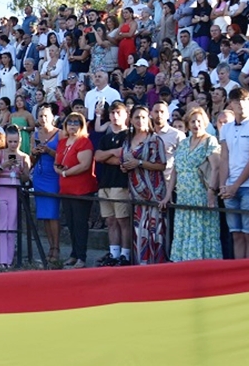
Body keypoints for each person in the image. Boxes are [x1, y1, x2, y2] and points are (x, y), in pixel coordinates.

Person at [218, 87, 249, 259]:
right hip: (230, 186)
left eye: (244, 100)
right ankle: (239, 272)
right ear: (230, 104)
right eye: (236, 100)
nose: (240, 104)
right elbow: (224, 158)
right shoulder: (226, 128)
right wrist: (223, 184)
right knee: (236, 234)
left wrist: (235, 186)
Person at [168, 106, 221, 262]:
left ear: (204, 122)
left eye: (199, 121)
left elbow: (216, 167)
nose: (196, 124)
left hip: (201, 194)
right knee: (184, 229)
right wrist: (168, 194)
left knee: (201, 230)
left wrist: (211, 193)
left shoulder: (210, 140)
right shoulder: (184, 143)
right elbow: (175, 170)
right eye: (192, 121)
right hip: (184, 195)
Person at [120, 105, 168, 264]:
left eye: (143, 117)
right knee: (139, 229)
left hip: (153, 190)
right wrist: (125, 166)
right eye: (136, 117)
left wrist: (139, 162)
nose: (140, 120)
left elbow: (161, 165)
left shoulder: (155, 140)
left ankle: (157, 264)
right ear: (131, 120)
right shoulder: (127, 139)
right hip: (135, 191)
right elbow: (126, 161)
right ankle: (141, 263)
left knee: (155, 230)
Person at [55, 112, 97, 268]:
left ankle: (82, 257)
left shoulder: (84, 142)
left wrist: (65, 172)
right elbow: (57, 161)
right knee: (71, 223)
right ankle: (74, 254)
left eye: (76, 123)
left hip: (81, 189)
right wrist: (58, 168)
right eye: (70, 122)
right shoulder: (63, 142)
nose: (72, 125)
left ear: (82, 126)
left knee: (80, 224)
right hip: (65, 189)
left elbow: (84, 165)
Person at [93, 101, 133, 266]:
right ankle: (114, 253)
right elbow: (98, 156)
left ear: (125, 115)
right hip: (105, 183)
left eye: (118, 113)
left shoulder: (129, 135)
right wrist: (111, 153)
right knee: (110, 221)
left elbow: (123, 159)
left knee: (123, 220)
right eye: (112, 113)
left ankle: (125, 254)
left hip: (121, 183)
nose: (115, 116)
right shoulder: (106, 137)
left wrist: (108, 156)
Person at [0, 125, 30, 269]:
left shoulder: (24, 156)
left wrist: (22, 169)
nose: (13, 145)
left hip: (15, 188)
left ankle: (8, 259)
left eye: (15, 142)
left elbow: (26, 178)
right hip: (1, 187)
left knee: (12, 225)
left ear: (20, 141)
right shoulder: (0, 154)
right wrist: (4, 166)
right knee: (0, 225)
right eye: (10, 141)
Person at [29, 105, 61, 261]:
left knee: (53, 213)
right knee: (44, 214)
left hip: (53, 175)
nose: (43, 118)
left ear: (52, 116)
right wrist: (34, 153)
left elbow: (63, 156)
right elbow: (31, 160)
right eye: (40, 116)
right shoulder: (35, 134)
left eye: (46, 115)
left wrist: (48, 151)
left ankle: (56, 247)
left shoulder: (60, 134)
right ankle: (50, 246)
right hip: (39, 175)